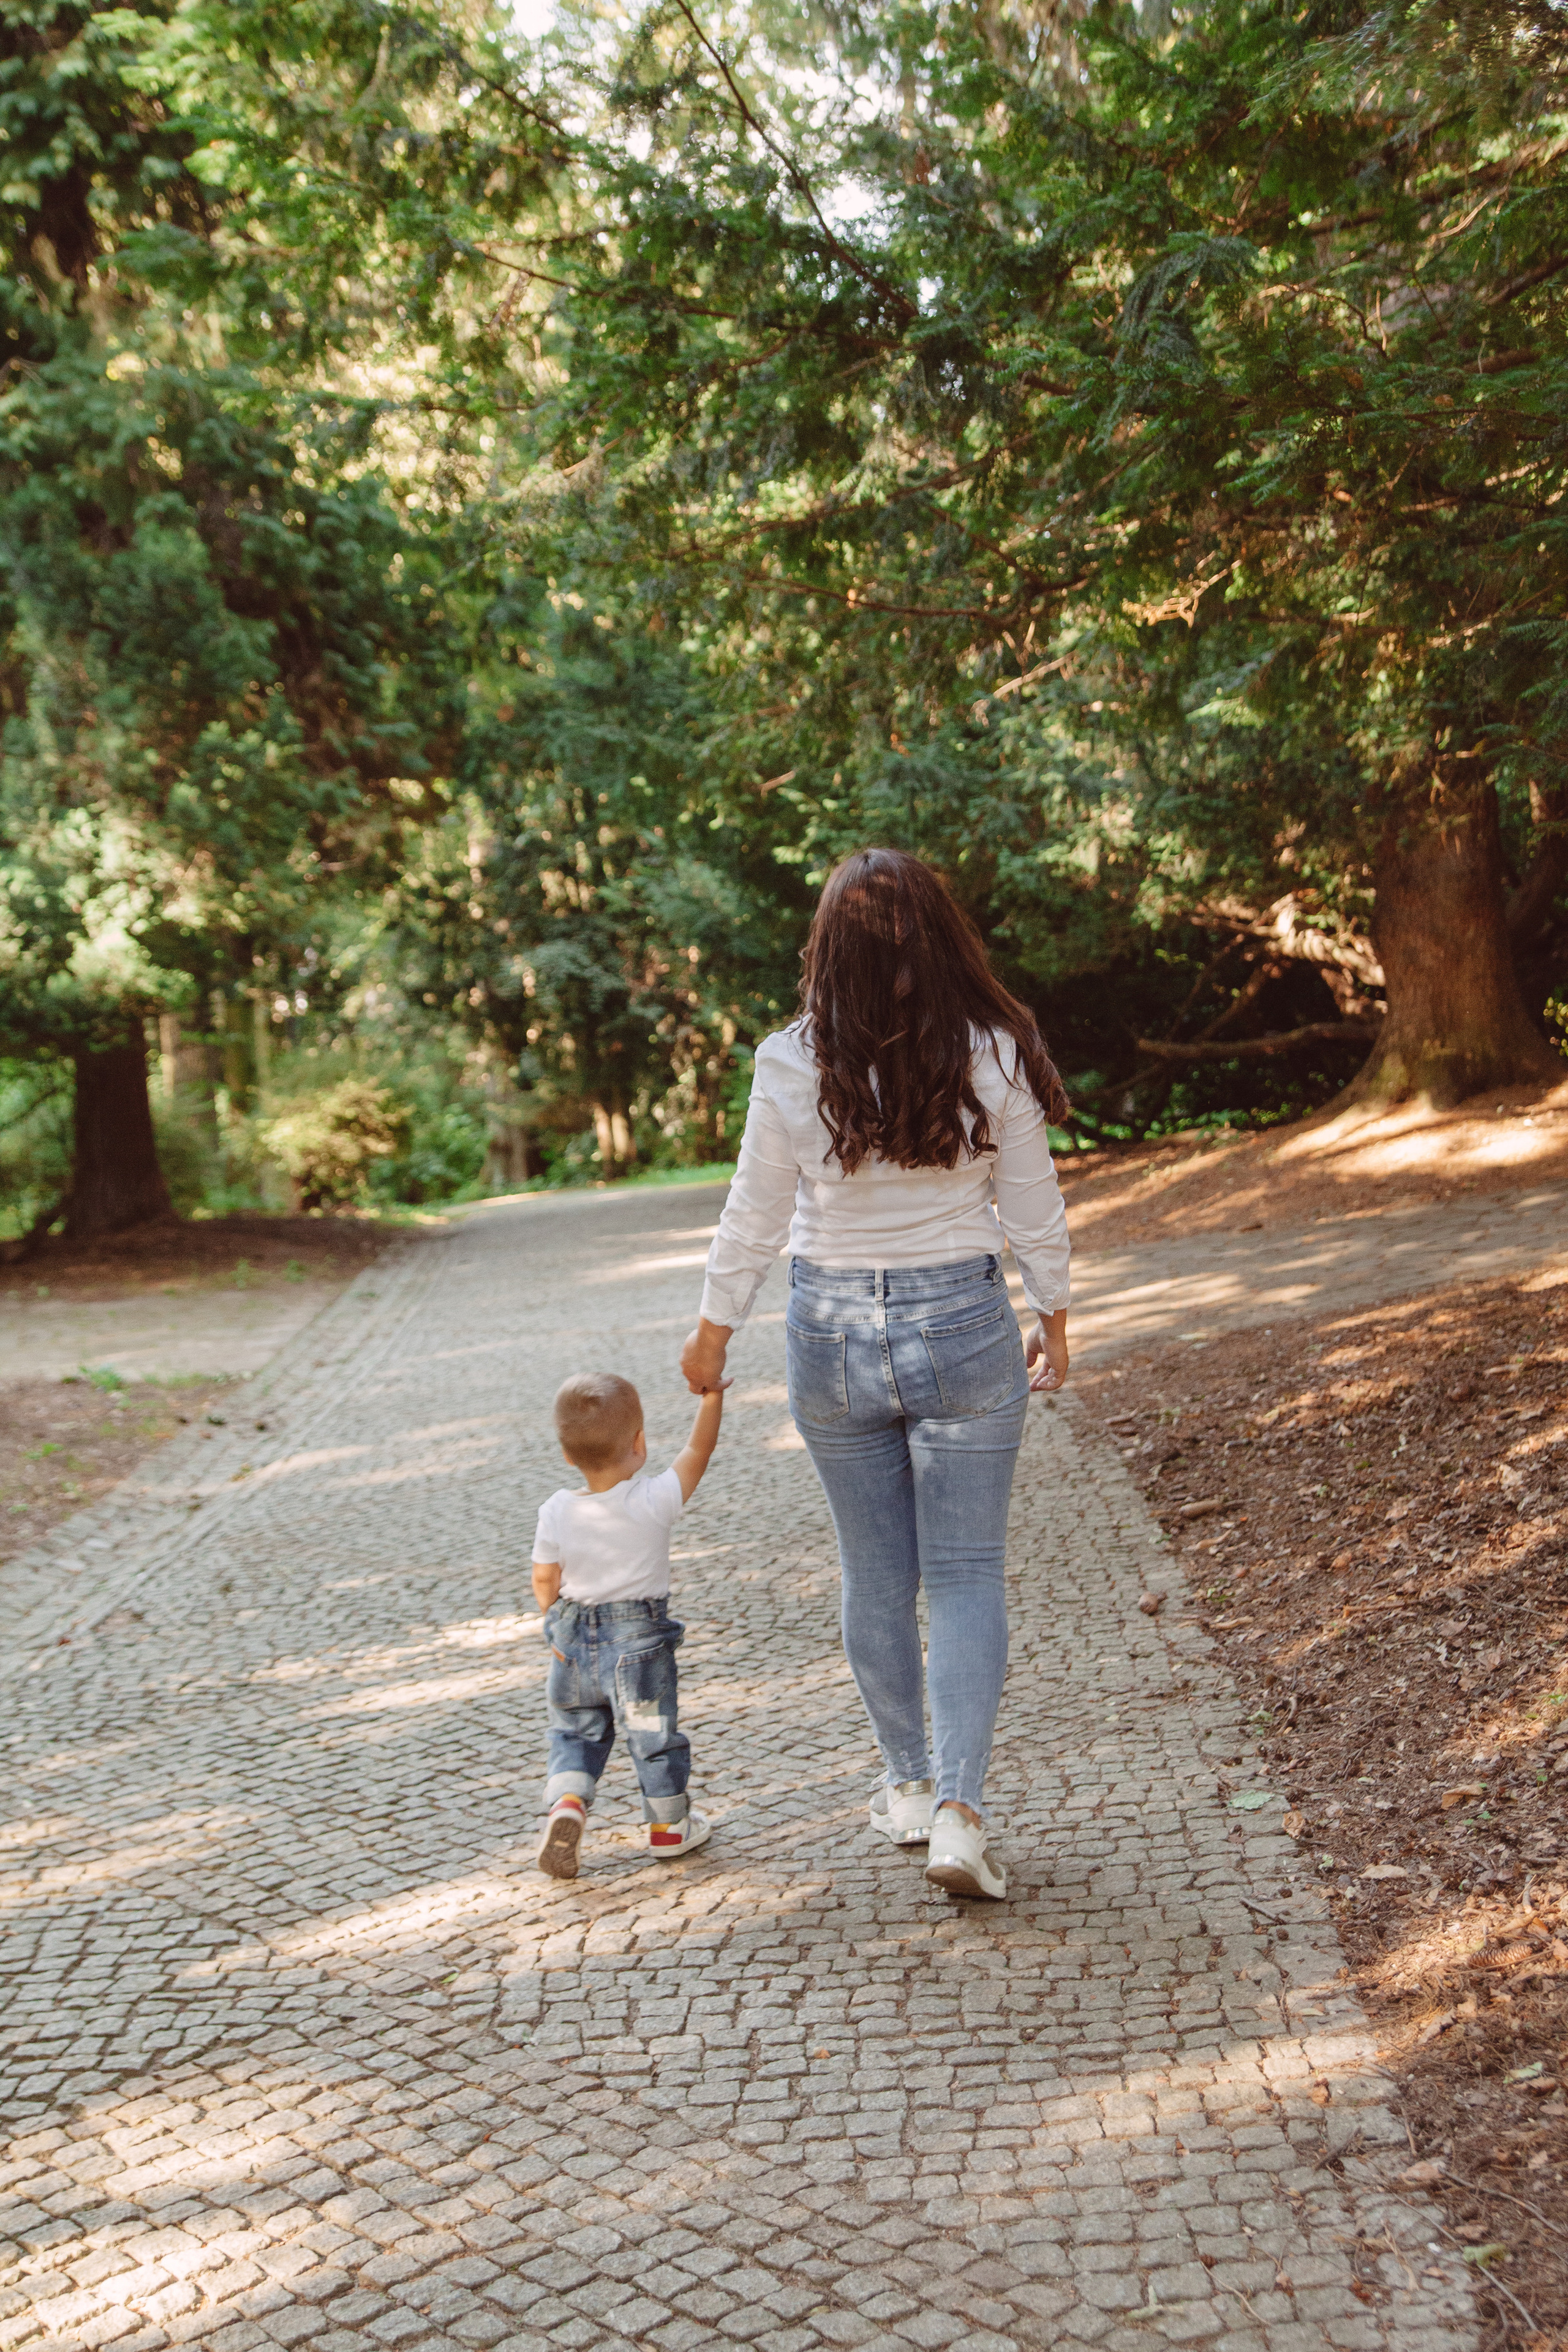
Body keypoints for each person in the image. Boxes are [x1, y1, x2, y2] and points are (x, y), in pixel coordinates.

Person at [680, 848, 1070, 1901]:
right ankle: (959, 1810)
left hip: (832, 1330)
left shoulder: (789, 1061)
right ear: (943, 938)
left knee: (874, 1573)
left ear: (828, 949)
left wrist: (714, 1331)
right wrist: (1055, 1312)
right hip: (965, 1324)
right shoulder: (996, 1048)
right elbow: (1033, 1203)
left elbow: (754, 1213)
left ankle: (906, 1782)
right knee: (966, 1572)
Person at [532, 1371, 726, 1880]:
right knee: (651, 1734)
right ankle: (667, 1828)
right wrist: (713, 1398)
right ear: (639, 1443)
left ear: (567, 1456)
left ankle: (568, 1804)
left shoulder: (556, 1509)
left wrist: (554, 1620)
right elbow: (698, 1452)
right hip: (638, 1648)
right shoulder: (653, 1499)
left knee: (575, 1732)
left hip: (572, 1640)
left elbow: (544, 1578)